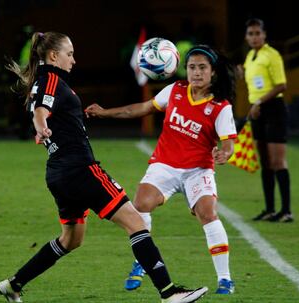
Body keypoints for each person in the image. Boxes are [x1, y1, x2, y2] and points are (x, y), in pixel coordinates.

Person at [0, 31, 208, 303]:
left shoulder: (44, 81)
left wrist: (52, 126)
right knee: (136, 221)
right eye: (69, 53)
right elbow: (41, 110)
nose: (73, 59)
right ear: (53, 56)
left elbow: (44, 108)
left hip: (59, 173)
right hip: (81, 169)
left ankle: (13, 284)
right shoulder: (50, 79)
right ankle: (169, 293)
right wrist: (41, 126)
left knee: (71, 239)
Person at [85, 44, 237, 295]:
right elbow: (140, 108)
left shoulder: (220, 106)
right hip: (164, 165)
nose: (196, 72)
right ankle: (142, 262)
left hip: (197, 170)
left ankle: (225, 279)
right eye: (191, 67)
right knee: (141, 204)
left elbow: (229, 143)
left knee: (208, 214)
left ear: (213, 72)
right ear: (185, 70)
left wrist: (225, 153)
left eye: (202, 68)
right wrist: (105, 113)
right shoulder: (175, 90)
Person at [240, 18, 293, 223]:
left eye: (257, 33)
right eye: (250, 34)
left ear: (264, 35)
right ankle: (270, 209)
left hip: (273, 109)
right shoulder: (250, 56)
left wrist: (259, 101)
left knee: (277, 161)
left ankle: (286, 211)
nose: (254, 37)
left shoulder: (272, 55)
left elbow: (281, 85)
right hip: (258, 111)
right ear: (246, 37)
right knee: (266, 162)